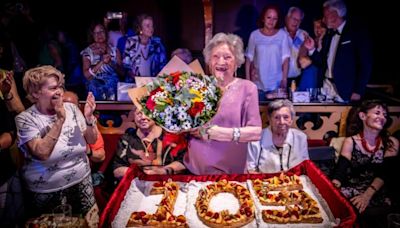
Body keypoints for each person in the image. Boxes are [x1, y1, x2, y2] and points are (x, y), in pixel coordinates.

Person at [15, 66, 99, 226]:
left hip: (82, 183)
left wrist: (89, 119)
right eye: (53, 87)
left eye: (60, 86)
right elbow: (41, 153)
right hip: (46, 192)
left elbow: (92, 139)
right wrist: (59, 120)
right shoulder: (25, 119)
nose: (60, 91)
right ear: (35, 93)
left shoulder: (72, 109)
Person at [184, 33, 262, 175]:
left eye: (227, 57)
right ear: (209, 61)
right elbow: (185, 124)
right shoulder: (196, 86)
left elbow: (255, 132)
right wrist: (191, 129)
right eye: (215, 56)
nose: (221, 61)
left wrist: (223, 134)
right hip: (194, 170)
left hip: (230, 173)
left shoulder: (247, 88)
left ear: (237, 62)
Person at [331, 100, 399, 228]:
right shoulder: (350, 141)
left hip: (377, 191)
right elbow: (340, 171)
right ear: (362, 116)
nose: (382, 117)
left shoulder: (391, 142)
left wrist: (366, 195)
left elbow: (385, 173)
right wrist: (332, 189)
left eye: (384, 115)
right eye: (377, 113)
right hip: (353, 189)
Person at [303, 0, 372, 102]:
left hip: (345, 90)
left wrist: (358, 90)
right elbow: (322, 62)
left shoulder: (356, 33)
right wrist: (312, 49)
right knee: (322, 117)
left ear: (333, 15)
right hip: (326, 87)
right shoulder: (329, 35)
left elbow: (365, 64)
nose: (323, 19)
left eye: (324, 15)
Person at [113, 106, 186, 179]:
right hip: (136, 184)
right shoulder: (127, 139)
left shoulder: (172, 137)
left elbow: (184, 162)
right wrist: (139, 174)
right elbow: (117, 169)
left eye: (147, 113)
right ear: (134, 116)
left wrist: (163, 171)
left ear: (155, 115)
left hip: (168, 183)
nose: (143, 117)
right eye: (139, 113)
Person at [247, 99, 309, 173]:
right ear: (270, 119)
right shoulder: (255, 140)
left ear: (292, 119)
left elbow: (305, 166)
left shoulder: (300, 138)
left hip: (295, 181)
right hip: (264, 182)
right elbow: (251, 170)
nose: (281, 122)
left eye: (286, 117)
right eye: (276, 118)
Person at [245, 5, 290, 101]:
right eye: (269, 17)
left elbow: (286, 59)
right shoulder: (254, 35)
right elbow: (249, 59)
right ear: (263, 18)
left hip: (276, 84)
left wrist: (284, 80)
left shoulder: (282, 35)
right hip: (258, 83)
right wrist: (248, 81)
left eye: (275, 18)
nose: (271, 21)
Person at [81, 22, 122, 101]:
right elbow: (86, 75)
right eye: (96, 33)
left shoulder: (114, 50)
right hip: (96, 86)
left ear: (106, 33)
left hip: (113, 86)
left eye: (101, 31)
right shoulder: (87, 52)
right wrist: (101, 62)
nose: (99, 35)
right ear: (92, 35)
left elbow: (122, 73)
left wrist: (110, 63)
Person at [122, 14, 167, 82]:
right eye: (148, 26)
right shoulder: (131, 42)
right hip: (134, 82)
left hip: (152, 83)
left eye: (152, 26)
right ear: (140, 28)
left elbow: (163, 64)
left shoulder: (157, 43)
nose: (151, 29)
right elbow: (126, 64)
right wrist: (136, 78)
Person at [63, 90, 105, 163]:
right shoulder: (50, 122)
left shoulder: (87, 124)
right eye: (64, 106)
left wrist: (88, 151)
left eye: (72, 107)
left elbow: (101, 156)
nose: (68, 110)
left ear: (78, 107)